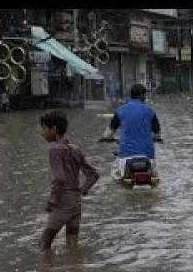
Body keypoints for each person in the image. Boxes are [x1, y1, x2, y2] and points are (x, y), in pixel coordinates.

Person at [39, 111, 99, 258]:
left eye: (44, 129)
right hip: (76, 203)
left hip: (62, 201)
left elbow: (59, 179)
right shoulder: (75, 149)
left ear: (53, 130)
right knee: (72, 245)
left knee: (44, 244)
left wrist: (52, 201)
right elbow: (93, 175)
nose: (42, 133)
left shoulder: (54, 149)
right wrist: (81, 191)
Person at [109, 83, 162, 159]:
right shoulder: (150, 111)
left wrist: (109, 138)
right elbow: (157, 135)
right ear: (142, 95)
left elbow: (110, 133)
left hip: (125, 154)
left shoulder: (120, 110)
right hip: (147, 154)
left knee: (118, 170)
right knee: (153, 170)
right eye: (145, 95)